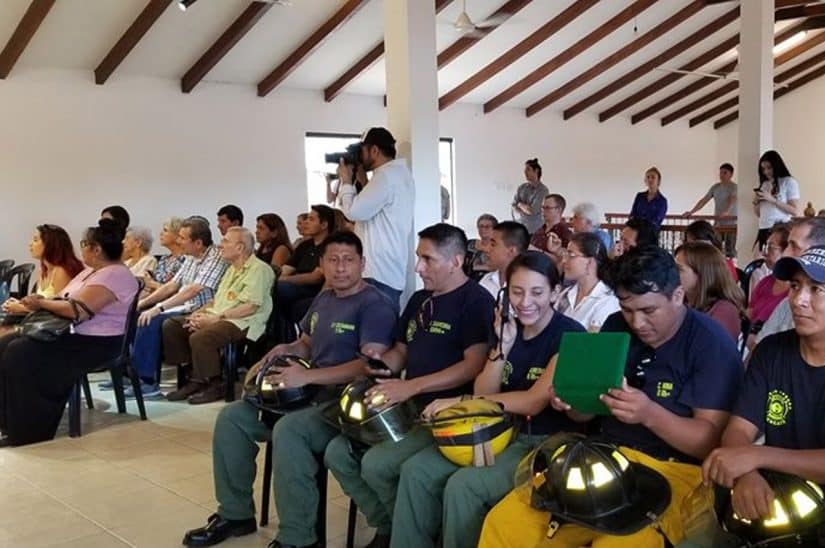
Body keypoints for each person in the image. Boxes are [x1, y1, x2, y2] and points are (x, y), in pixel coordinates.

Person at [478, 245, 743, 548]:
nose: (637, 323)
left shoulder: (710, 343)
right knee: (506, 523)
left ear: (678, 296)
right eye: (627, 310)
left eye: (648, 311)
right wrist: (573, 403)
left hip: (675, 470)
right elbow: (586, 414)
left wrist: (649, 414)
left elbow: (711, 443)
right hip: (604, 457)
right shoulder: (615, 326)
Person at [181, 231, 397, 548]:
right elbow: (307, 343)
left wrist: (308, 378)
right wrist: (285, 348)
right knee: (232, 417)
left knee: (290, 431)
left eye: (348, 260)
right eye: (333, 260)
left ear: (362, 263)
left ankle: (298, 537)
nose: (340, 268)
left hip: (344, 402)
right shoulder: (325, 298)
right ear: (322, 263)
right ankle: (236, 513)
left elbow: (368, 366)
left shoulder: (375, 305)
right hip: (304, 392)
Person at [392, 251, 586, 548]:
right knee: (415, 471)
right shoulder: (507, 327)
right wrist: (501, 348)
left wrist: (461, 399)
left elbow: (534, 401)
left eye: (537, 292)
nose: (525, 302)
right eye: (517, 292)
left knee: (464, 487)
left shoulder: (570, 335)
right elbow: (488, 393)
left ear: (555, 293)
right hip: (497, 430)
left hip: (543, 441)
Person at [324, 223, 495, 548]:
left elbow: (473, 364)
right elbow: (401, 350)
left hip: (449, 414)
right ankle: (392, 527)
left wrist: (412, 386)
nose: (418, 267)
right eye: (418, 258)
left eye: (427, 259)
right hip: (409, 406)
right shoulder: (419, 299)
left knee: (377, 465)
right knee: (339, 452)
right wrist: (380, 362)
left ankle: (412, 534)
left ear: (456, 261)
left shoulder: (476, 301)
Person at [702, 246, 825, 524]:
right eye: (795, 286)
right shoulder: (772, 351)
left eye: (817, 289)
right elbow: (739, 428)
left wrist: (755, 456)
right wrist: (747, 474)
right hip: (780, 498)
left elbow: (749, 450)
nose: (799, 300)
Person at [0, 219, 139, 446]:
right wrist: (40, 302)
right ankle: (7, 421)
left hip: (97, 342)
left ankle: (28, 430)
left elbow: (78, 311)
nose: (81, 247)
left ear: (97, 249)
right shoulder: (90, 272)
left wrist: (42, 304)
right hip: (74, 334)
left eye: (85, 243)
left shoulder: (115, 274)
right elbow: (63, 298)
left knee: (20, 352)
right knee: (6, 343)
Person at [161, 227, 274, 405]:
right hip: (220, 315)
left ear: (240, 247)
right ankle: (194, 377)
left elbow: (251, 306)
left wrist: (215, 319)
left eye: (226, 241)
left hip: (243, 321)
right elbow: (217, 300)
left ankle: (215, 384)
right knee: (173, 326)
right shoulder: (231, 269)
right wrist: (200, 313)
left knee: (202, 336)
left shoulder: (259, 269)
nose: (220, 245)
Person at [129, 217, 228, 397]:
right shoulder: (190, 257)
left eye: (182, 238)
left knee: (152, 320)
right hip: (184, 306)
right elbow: (172, 286)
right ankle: (133, 374)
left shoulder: (215, 257)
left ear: (198, 243)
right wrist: (142, 304)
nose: (179, 241)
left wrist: (158, 308)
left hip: (202, 308)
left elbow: (192, 290)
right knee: (138, 314)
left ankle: (147, 381)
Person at [337, 127, 415, 306]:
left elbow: (354, 212)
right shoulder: (397, 175)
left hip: (378, 273)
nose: (360, 157)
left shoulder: (385, 177)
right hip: (387, 270)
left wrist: (347, 181)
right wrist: (364, 182)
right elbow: (373, 209)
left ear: (374, 150)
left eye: (361, 151)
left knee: (376, 330)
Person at [756, 217, 825, 345]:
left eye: (794, 246)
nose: (785, 253)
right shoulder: (786, 305)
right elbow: (757, 353)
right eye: (795, 286)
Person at [2, 224, 83, 315]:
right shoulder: (43, 270)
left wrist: (21, 308)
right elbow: (40, 305)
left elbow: (60, 310)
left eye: (35, 240)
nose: (30, 244)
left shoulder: (60, 272)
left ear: (50, 244)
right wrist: (20, 304)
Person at [675, 241, 746, 342]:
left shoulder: (724, 311)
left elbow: (707, 352)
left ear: (701, 274)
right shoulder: (684, 302)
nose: (672, 273)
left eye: (679, 269)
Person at [277, 205, 334, 325]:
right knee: (270, 290)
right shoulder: (304, 245)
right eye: (307, 218)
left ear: (324, 225)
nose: (306, 222)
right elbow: (286, 269)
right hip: (297, 286)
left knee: (281, 288)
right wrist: (279, 278)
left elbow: (316, 277)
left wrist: (284, 280)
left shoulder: (331, 246)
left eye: (311, 219)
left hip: (317, 289)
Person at [557, 232, 620, 332]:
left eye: (571, 255)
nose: (564, 260)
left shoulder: (607, 301)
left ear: (590, 262)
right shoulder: (565, 294)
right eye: (566, 254)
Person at [684, 163, 738, 257]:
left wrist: (726, 212)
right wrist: (691, 212)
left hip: (731, 223)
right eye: (720, 172)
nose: (721, 175)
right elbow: (704, 200)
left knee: (730, 249)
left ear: (731, 174)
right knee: (716, 248)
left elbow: (732, 200)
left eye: (725, 173)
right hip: (718, 223)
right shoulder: (715, 187)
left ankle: (731, 268)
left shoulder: (734, 187)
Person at [747, 224, 789, 338]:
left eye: (770, 248)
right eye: (766, 247)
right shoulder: (765, 282)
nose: (764, 253)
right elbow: (748, 317)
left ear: (787, 251)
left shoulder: (795, 293)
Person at [753, 150, 800, 251]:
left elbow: (794, 211)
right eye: (763, 169)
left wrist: (772, 200)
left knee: (776, 260)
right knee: (760, 259)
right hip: (763, 227)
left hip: (780, 228)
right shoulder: (765, 184)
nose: (766, 172)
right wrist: (756, 202)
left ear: (776, 165)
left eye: (769, 168)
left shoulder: (789, 182)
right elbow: (759, 214)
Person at [478, 221, 529, 299]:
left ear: (512, 251)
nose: (487, 249)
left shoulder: (530, 283)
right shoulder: (485, 281)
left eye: (493, 244)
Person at [142, 217, 186, 295]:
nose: (161, 233)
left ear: (177, 236)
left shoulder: (185, 260)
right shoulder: (164, 259)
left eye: (165, 230)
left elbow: (177, 291)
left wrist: (153, 284)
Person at [530, 194, 572, 266]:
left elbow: (565, 261)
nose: (543, 211)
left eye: (547, 208)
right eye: (542, 207)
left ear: (559, 210)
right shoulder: (539, 230)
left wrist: (536, 251)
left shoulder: (566, 234)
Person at [511, 158, 549, 234]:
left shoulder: (543, 190)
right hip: (520, 228)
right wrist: (523, 208)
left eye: (528, 169)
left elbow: (532, 211)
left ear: (536, 171)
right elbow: (513, 206)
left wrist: (520, 204)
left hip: (535, 230)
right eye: (525, 170)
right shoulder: (522, 187)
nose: (525, 172)